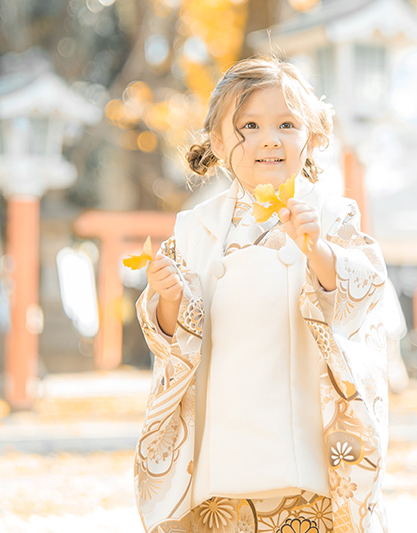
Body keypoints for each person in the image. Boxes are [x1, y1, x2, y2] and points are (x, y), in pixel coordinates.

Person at [134, 57, 390, 533]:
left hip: (307, 454)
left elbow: (365, 290)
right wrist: (167, 300)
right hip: (221, 453)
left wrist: (319, 253)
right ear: (217, 141)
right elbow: (175, 338)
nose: (269, 138)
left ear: (310, 137)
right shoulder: (196, 227)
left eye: (286, 124)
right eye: (249, 125)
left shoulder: (330, 214)